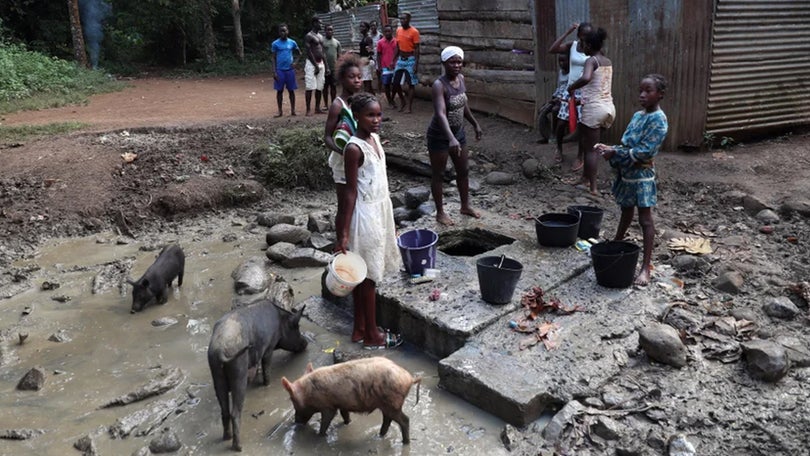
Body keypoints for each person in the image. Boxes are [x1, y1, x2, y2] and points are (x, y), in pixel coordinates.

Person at [334, 92, 402, 350]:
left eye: (378, 114)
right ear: (357, 117)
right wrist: (344, 233)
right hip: (365, 217)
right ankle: (372, 335)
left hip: (380, 210)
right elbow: (349, 192)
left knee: (366, 277)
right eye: (370, 115)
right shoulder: (353, 149)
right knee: (369, 279)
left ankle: (359, 328)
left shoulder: (373, 139)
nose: (376, 120)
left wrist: (390, 222)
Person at [595, 74, 668, 286]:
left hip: (642, 176)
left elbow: (644, 152)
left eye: (648, 91)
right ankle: (617, 242)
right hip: (627, 173)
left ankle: (646, 267)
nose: (642, 95)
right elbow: (627, 145)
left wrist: (615, 154)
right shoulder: (638, 115)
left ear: (660, 95)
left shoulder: (659, 120)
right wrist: (610, 149)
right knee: (626, 210)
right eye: (641, 91)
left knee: (645, 219)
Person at [427, 46, 483, 226]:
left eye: (459, 61)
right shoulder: (439, 85)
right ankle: (440, 213)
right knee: (439, 174)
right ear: (444, 63)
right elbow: (441, 113)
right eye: (453, 62)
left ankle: (465, 206)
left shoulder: (461, 79)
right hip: (439, 135)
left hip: (458, 132)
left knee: (463, 171)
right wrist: (450, 138)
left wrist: (474, 123)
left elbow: (463, 105)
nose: (457, 65)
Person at [566, 28, 615, 194]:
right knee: (590, 144)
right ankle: (585, 178)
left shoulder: (591, 61)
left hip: (594, 109)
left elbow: (586, 78)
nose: (582, 47)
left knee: (590, 149)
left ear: (588, 45)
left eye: (583, 44)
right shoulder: (607, 61)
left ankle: (593, 188)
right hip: (608, 108)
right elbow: (597, 86)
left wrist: (571, 87)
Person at [549, 22, 593, 170]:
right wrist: (567, 32)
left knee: (582, 126)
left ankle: (580, 156)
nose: (587, 38)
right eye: (585, 35)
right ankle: (559, 149)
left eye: (590, 35)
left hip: (584, 92)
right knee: (561, 123)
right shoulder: (572, 46)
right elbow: (553, 49)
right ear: (579, 35)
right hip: (570, 91)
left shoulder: (592, 49)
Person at [537, 53, 570, 146]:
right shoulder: (561, 72)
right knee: (543, 108)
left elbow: (568, 88)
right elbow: (559, 87)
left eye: (564, 61)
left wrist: (559, 98)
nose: (561, 63)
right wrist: (554, 97)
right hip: (558, 97)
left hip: (566, 98)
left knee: (555, 110)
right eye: (560, 61)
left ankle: (554, 133)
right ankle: (546, 134)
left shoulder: (572, 73)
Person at [270, 24, 301, 117]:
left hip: (290, 70)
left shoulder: (292, 43)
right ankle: (280, 111)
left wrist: (295, 63)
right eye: (281, 31)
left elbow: (299, 53)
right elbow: (273, 58)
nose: (283, 33)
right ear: (279, 32)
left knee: (291, 91)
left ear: (288, 31)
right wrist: (274, 71)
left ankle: (293, 110)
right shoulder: (275, 44)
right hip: (280, 70)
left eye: (285, 31)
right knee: (279, 91)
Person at [392, 12, 420, 113]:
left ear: (409, 19)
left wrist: (416, 64)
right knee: (395, 82)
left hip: (410, 59)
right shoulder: (398, 30)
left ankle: (409, 106)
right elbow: (397, 46)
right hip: (400, 59)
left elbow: (417, 49)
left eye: (404, 19)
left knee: (411, 83)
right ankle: (403, 101)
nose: (402, 21)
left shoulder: (414, 32)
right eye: (401, 19)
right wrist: (393, 59)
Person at [304, 17, 326, 116]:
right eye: (320, 23)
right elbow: (308, 52)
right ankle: (308, 109)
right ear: (314, 23)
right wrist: (315, 66)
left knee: (319, 86)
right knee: (309, 87)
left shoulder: (321, 36)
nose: (321, 25)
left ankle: (317, 108)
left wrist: (326, 66)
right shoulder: (309, 36)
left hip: (321, 63)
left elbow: (322, 52)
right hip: (311, 64)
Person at [376, 24, 399, 109]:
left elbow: (398, 53)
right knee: (386, 84)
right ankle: (389, 101)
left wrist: (395, 63)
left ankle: (392, 98)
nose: (387, 33)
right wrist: (379, 66)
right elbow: (378, 55)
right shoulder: (380, 42)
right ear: (383, 32)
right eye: (386, 31)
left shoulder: (396, 41)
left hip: (395, 66)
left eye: (389, 31)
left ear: (392, 31)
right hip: (385, 66)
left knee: (396, 84)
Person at [322, 24, 342, 111]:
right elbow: (321, 54)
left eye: (331, 30)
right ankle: (326, 104)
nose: (329, 31)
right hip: (324, 68)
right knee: (325, 87)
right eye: (328, 30)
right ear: (325, 31)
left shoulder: (337, 42)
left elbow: (339, 56)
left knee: (333, 86)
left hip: (334, 68)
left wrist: (339, 67)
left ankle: (333, 103)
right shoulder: (322, 42)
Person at [358, 22, 376, 94]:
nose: (361, 28)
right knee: (367, 82)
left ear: (367, 29)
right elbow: (363, 51)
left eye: (363, 27)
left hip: (367, 62)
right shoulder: (364, 38)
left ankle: (366, 99)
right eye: (360, 27)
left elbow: (371, 51)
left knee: (366, 82)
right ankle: (373, 98)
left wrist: (368, 57)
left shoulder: (368, 38)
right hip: (364, 61)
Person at [370, 21, 384, 93]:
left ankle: (380, 89)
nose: (373, 27)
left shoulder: (380, 35)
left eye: (374, 26)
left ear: (377, 26)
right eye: (371, 26)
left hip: (379, 56)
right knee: (373, 73)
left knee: (379, 73)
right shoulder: (370, 36)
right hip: (372, 57)